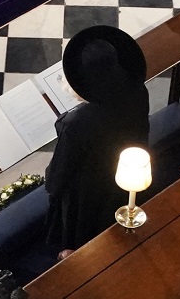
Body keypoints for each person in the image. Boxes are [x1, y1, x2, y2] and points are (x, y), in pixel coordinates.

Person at [43, 26, 150, 254]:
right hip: (125, 179)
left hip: (88, 201)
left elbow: (56, 180)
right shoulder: (139, 92)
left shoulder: (78, 122)